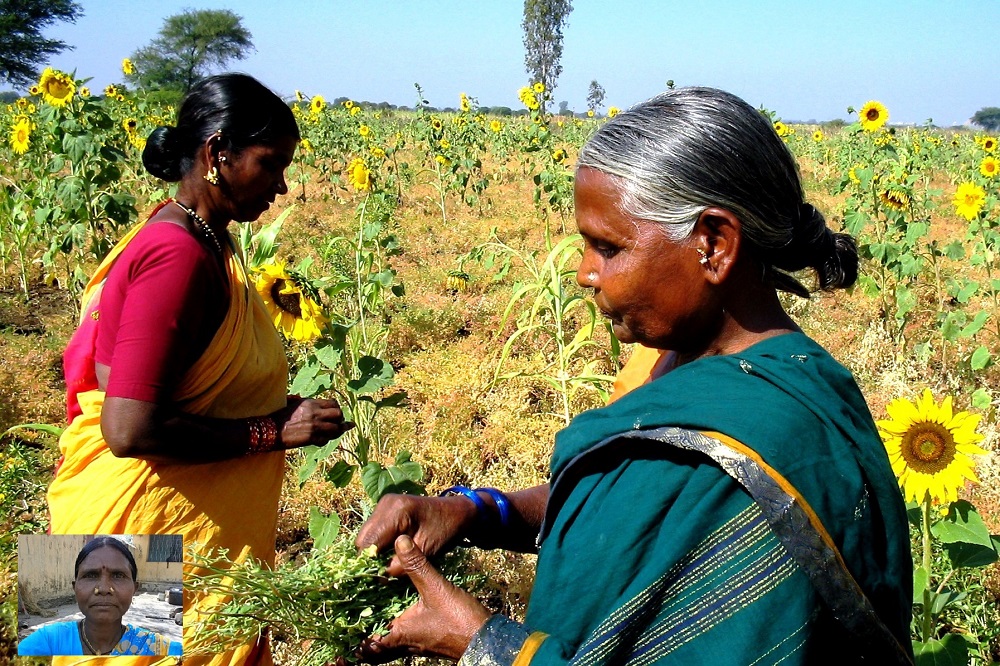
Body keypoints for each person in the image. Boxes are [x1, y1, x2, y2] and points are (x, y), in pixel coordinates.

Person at [355, 87, 915, 665]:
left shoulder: (773, 438)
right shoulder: (670, 361)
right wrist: (477, 512)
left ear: (713, 245)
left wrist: (482, 642)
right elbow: (612, 510)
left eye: (607, 247)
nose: (583, 273)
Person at [47, 73, 353, 666]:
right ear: (217, 154)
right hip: (140, 527)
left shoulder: (206, 238)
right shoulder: (178, 257)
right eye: (270, 164)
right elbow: (128, 428)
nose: (283, 186)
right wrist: (269, 430)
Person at [18, 537, 183, 656]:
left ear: (135, 588)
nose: (104, 589)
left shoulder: (160, 651)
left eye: (118, 575)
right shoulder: (48, 642)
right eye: (90, 575)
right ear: (75, 588)